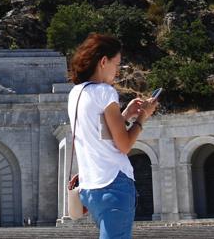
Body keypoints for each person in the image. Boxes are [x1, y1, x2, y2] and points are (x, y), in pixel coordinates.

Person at [67, 33, 157, 239]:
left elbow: (100, 134)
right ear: (103, 61)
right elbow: (124, 145)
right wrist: (143, 117)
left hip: (90, 190)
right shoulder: (105, 92)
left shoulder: (75, 94)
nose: (117, 71)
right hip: (114, 185)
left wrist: (124, 116)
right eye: (116, 64)